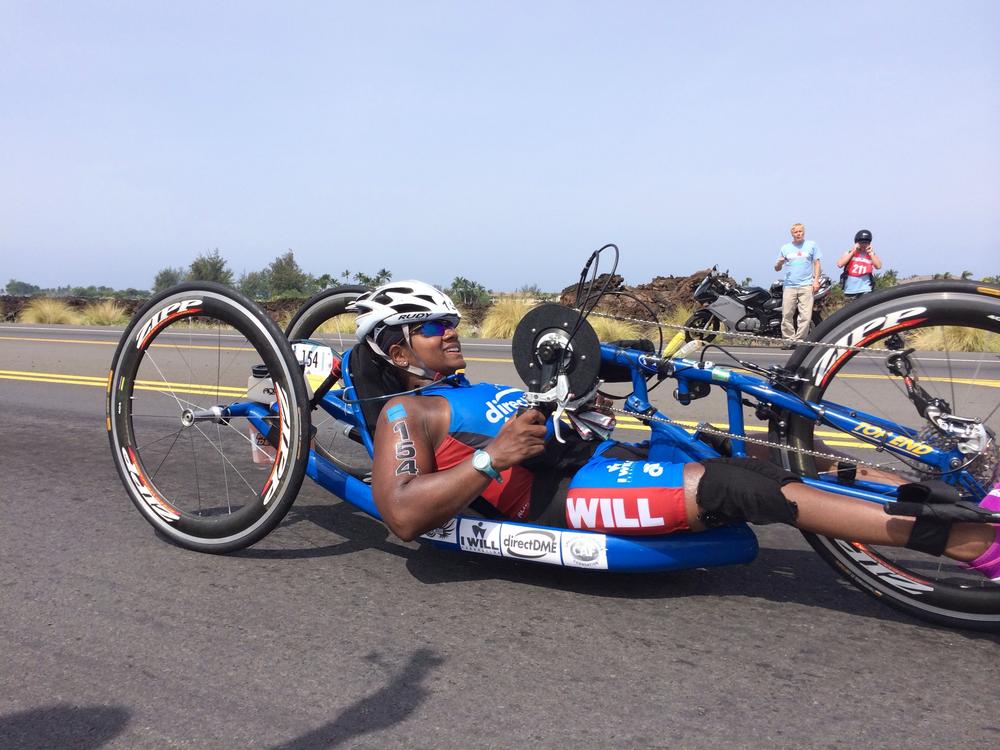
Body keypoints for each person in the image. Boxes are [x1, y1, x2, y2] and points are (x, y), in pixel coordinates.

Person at [346, 281, 1000, 579]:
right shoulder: (408, 416)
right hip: (568, 496)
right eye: (433, 328)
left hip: (606, 453)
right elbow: (401, 514)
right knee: (740, 490)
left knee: (777, 457)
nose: (451, 331)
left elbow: (553, 418)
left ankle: (961, 499)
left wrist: (584, 405)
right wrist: (493, 457)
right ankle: (968, 543)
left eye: (452, 319)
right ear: (397, 353)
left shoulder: (470, 387)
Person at [774, 223, 823, 347]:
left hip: (806, 285)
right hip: (790, 285)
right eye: (796, 232)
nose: (798, 234)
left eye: (800, 231)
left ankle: (800, 340)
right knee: (787, 314)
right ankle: (788, 340)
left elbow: (817, 263)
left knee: (805, 316)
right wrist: (779, 263)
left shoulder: (811, 245)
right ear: (792, 233)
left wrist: (816, 281)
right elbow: (777, 268)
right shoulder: (785, 248)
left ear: (804, 232)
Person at [836, 229, 882, 301]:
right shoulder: (849, 253)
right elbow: (840, 264)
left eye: (866, 242)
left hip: (865, 288)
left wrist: (871, 253)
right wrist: (853, 252)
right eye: (861, 242)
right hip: (850, 289)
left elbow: (878, 266)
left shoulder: (871, 255)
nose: (863, 245)